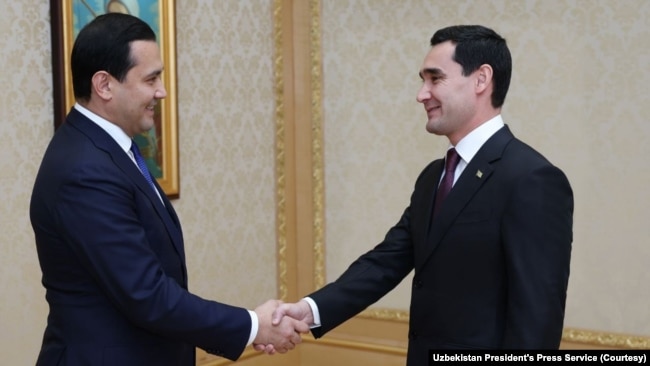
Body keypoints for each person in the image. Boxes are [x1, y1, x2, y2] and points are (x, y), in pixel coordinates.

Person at [262, 25, 574, 364]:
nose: (421, 94)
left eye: (434, 79)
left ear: (481, 79)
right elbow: (387, 260)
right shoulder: (433, 177)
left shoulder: (532, 178)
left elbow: (537, 319)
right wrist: (310, 310)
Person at [30, 13, 307, 366]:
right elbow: (146, 294)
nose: (161, 91)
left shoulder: (109, 150)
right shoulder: (84, 171)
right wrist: (254, 326)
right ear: (104, 85)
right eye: (151, 79)